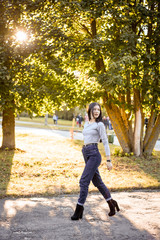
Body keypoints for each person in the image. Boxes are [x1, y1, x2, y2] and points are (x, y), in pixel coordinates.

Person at [71, 102, 120, 221]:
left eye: (99, 109)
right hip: (86, 153)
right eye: (95, 109)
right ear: (90, 110)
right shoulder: (87, 124)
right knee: (97, 182)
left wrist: (109, 160)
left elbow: (105, 142)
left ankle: (79, 209)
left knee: (83, 181)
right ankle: (111, 203)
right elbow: (86, 138)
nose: (97, 111)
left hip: (94, 154)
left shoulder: (100, 125)